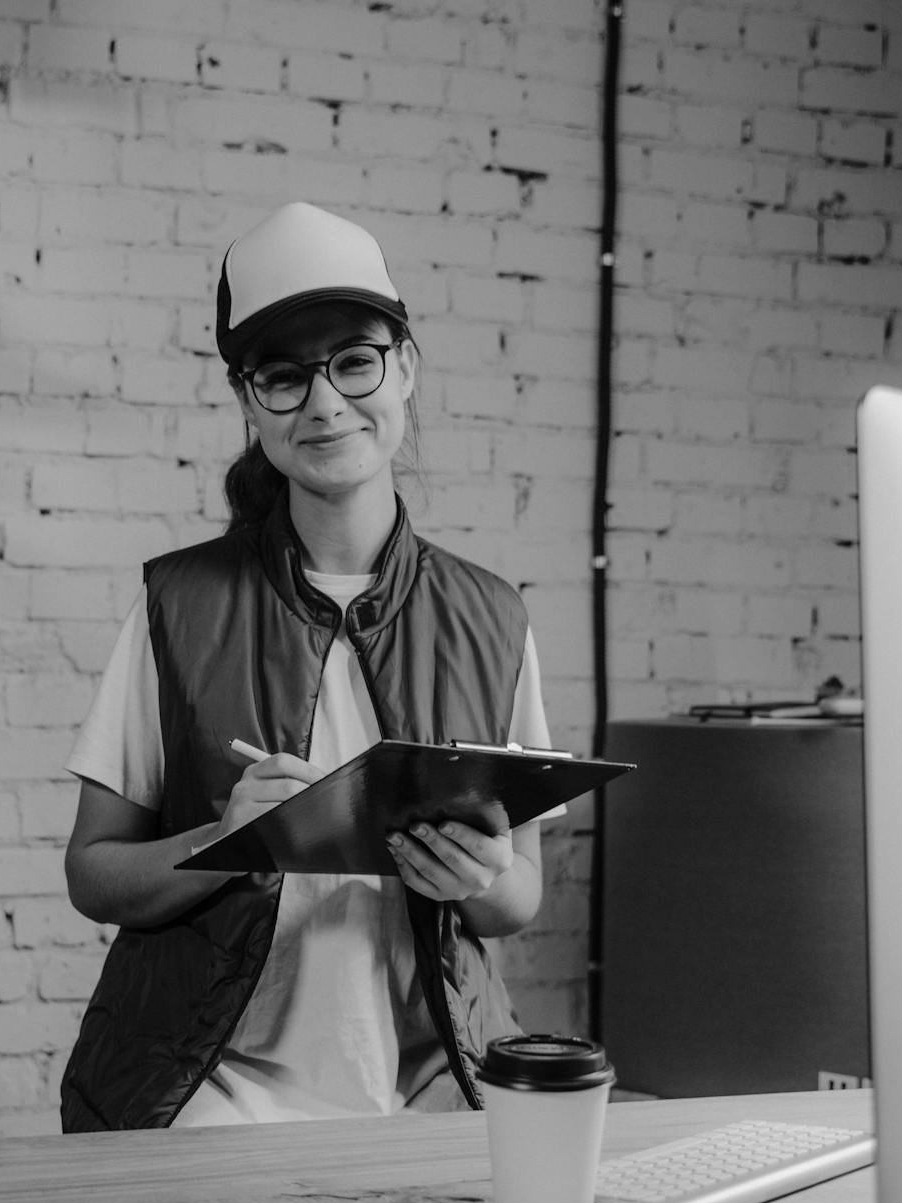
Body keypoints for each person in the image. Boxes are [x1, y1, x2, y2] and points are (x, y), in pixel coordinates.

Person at [59, 201, 563, 1132]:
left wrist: (477, 876)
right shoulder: (178, 605)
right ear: (249, 403)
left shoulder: (492, 615)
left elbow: (518, 896)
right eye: (285, 377)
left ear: (404, 367)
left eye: (355, 361)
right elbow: (93, 874)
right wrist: (222, 843)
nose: (326, 403)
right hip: (210, 1093)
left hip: (432, 1086)